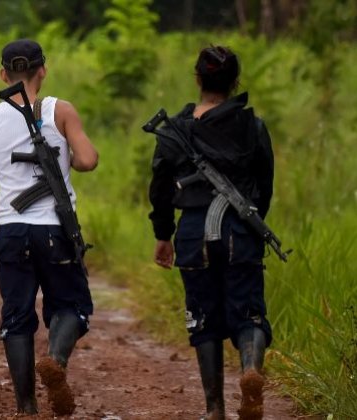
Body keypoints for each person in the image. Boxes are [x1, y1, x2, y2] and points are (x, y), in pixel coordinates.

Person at [0, 39, 98, 416]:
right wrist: (69, 157)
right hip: (56, 231)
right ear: (43, 70)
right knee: (72, 306)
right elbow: (88, 160)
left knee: (17, 316)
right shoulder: (61, 111)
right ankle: (55, 358)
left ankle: (26, 408)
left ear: (3, 74)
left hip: (11, 232)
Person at [148, 45, 274, 420]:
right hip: (241, 231)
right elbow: (264, 187)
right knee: (249, 314)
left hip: (191, 233)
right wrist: (251, 225)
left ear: (197, 78)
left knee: (202, 319)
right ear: (235, 81)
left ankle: (214, 408)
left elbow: (160, 189)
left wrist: (162, 234)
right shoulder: (253, 126)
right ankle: (250, 369)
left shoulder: (175, 130)